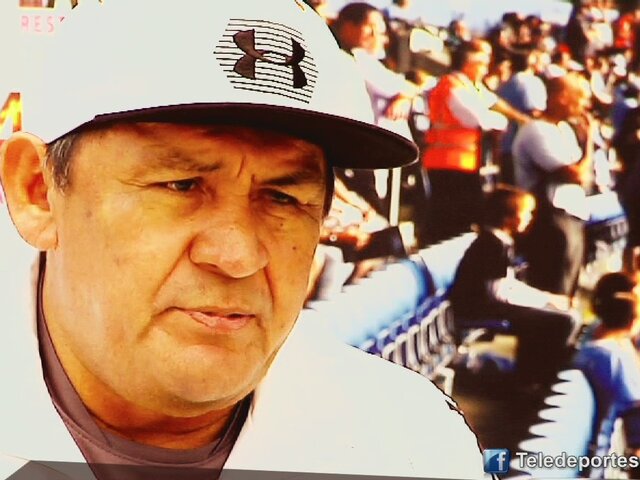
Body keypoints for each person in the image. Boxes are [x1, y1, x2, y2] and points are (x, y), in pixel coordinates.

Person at [0, 1, 486, 479]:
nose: (237, 256)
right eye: (181, 185)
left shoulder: (410, 444)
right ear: (37, 193)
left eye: (282, 197)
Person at [449, 185, 578, 383]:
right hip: (479, 308)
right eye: (526, 213)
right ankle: (533, 380)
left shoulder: (499, 242)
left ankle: (533, 377)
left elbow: (507, 286)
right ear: (509, 218)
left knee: (564, 315)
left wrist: (548, 299)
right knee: (563, 321)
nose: (529, 218)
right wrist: (546, 300)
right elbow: (499, 293)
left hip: (489, 305)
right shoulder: (492, 245)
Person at [512, 72, 595, 296]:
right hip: (549, 221)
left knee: (569, 287)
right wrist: (589, 141)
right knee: (553, 288)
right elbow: (576, 175)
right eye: (580, 97)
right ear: (562, 97)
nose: (584, 105)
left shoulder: (565, 130)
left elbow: (586, 175)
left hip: (572, 217)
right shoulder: (537, 130)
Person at [572, 272, 640, 478]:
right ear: (632, 323)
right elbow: (635, 414)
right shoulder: (612, 358)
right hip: (600, 463)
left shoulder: (592, 349)